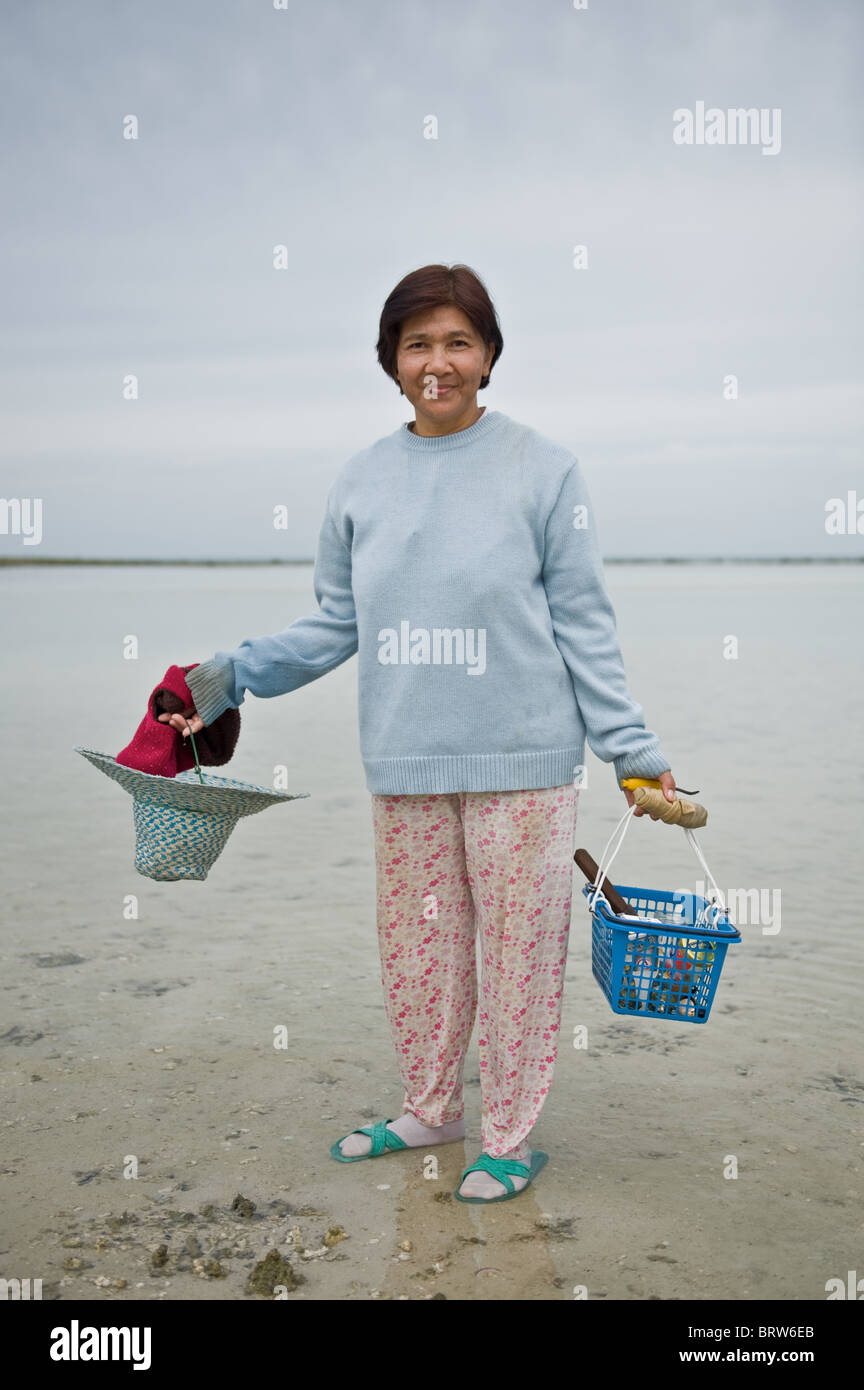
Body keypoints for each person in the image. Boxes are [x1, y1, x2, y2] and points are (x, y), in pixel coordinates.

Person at [160, 263, 677, 1203]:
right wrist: (231, 674)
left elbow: (585, 625)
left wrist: (633, 754)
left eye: (457, 342)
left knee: (519, 954)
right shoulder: (361, 481)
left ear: (487, 356)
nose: (437, 362)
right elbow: (333, 624)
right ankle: (433, 1108)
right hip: (404, 761)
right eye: (417, 344)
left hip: (524, 763)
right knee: (420, 949)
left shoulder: (547, 470)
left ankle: (511, 1136)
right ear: (392, 362)